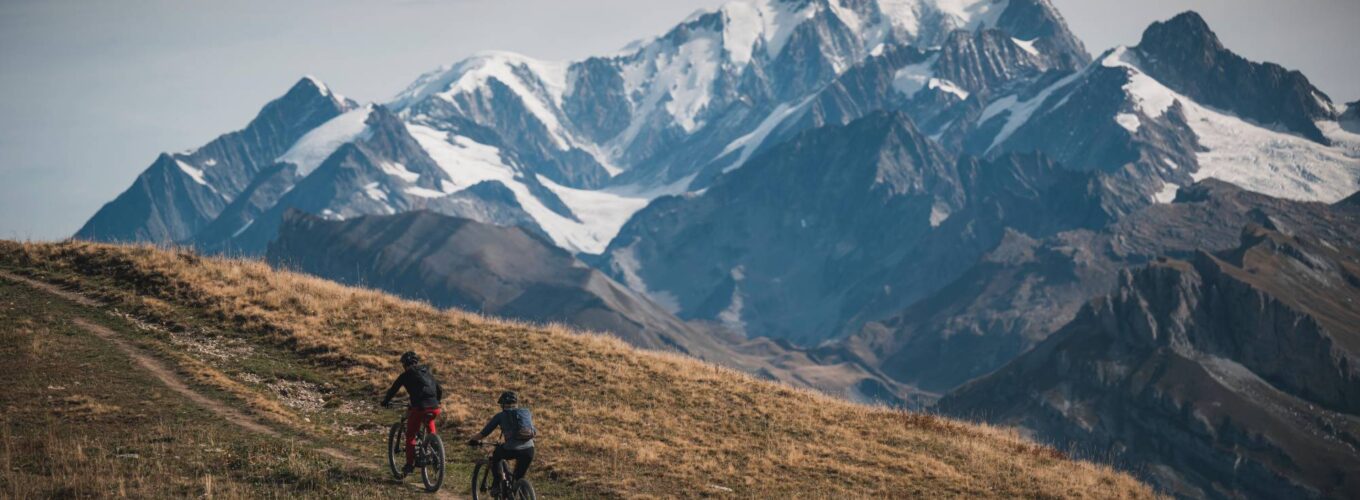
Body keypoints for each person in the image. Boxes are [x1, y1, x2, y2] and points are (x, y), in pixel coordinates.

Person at [381, 351, 443, 476]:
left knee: (410, 434)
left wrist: (385, 401)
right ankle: (435, 447)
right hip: (434, 407)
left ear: (404, 364)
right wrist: (437, 401)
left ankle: (409, 464)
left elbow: (393, 389)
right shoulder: (427, 372)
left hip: (420, 407)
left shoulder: (405, 375)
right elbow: (439, 389)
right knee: (429, 421)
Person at [467, 391, 536, 489]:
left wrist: (472, 440)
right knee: (519, 478)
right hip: (529, 449)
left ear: (503, 405)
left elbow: (484, 433)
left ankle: (497, 483)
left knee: (497, 455)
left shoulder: (500, 416)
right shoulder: (526, 412)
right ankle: (521, 491)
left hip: (512, 449)